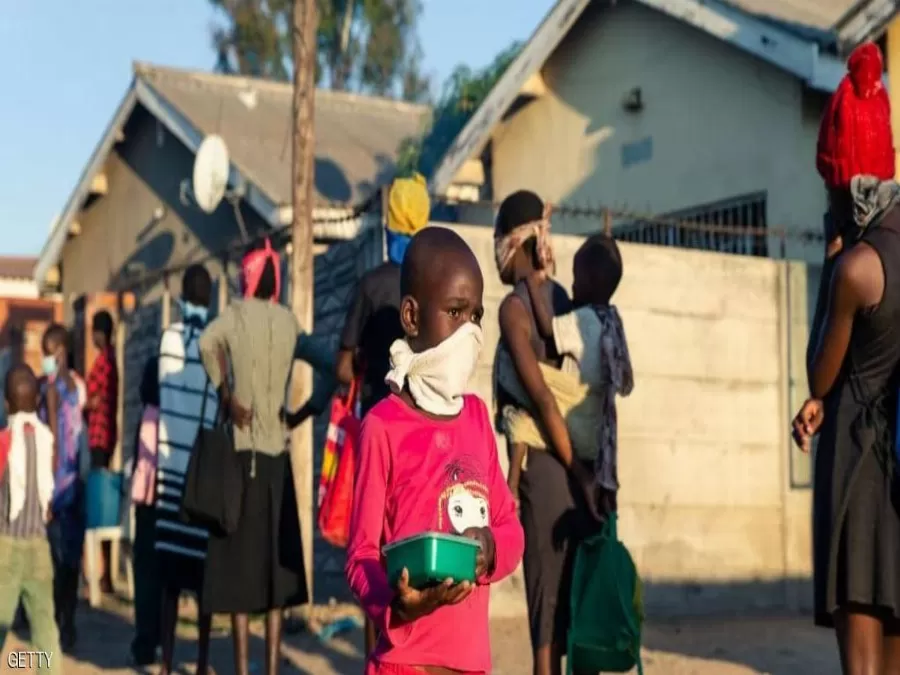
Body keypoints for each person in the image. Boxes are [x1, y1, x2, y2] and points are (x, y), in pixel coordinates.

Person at [346, 227, 524, 674]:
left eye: (476, 316)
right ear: (411, 316)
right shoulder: (382, 426)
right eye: (455, 311)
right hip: (405, 664)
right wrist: (398, 605)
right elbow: (361, 556)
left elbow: (510, 528)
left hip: (471, 664)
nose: (469, 332)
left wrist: (487, 546)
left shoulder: (478, 420)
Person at [791, 42, 900, 674]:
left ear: (843, 184)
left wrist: (833, 258)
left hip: (858, 476)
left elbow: (819, 371)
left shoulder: (856, 269)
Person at [493, 190, 597, 675]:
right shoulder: (566, 302)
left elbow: (540, 403)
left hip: (551, 475)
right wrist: (591, 476)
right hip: (581, 477)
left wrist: (566, 469)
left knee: (546, 624)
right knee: (573, 615)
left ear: (514, 244)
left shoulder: (512, 311)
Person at [199, 240, 308, 675]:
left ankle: (242, 668)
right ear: (275, 278)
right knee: (275, 577)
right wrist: (301, 412)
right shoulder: (288, 321)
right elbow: (324, 362)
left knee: (238, 572)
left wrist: (226, 395)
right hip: (276, 461)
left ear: (247, 278)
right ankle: (273, 670)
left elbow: (208, 344)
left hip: (241, 461)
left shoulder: (233, 316)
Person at [336, 172, 430, 653]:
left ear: (388, 223)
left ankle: (378, 649)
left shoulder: (371, 284)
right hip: (426, 432)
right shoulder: (433, 289)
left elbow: (343, 363)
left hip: (378, 428)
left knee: (371, 546)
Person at [521, 233, 634, 516]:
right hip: (602, 430)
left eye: (576, 278)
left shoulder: (583, 320)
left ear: (591, 282)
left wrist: (533, 285)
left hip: (576, 428)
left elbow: (547, 328)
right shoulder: (613, 320)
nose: (571, 285)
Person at [155, 265, 216, 675]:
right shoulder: (216, 342)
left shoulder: (168, 339)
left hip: (169, 471)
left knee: (169, 581)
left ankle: (166, 662)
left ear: (181, 295)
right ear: (210, 298)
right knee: (203, 577)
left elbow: (157, 392)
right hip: (202, 475)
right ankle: (203, 661)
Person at [0, 364, 62, 674]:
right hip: (39, 547)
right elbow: (52, 473)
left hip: (7, 547)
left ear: (6, 404)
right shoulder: (45, 439)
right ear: (36, 401)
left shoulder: (4, 442)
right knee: (44, 626)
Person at [40, 323, 87, 651]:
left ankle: (62, 621)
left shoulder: (60, 386)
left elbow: (60, 435)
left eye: (48, 352)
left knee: (62, 559)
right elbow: (63, 433)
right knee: (67, 558)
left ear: (61, 351)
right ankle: (65, 622)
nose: (45, 359)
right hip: (69, 481)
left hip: (63, 482)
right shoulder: (65, 385)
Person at [129, 356, 162, 667]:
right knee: (165, 577)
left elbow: (140, 466)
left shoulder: (147, 417)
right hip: (171, 505)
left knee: (145, 574)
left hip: (148, 508)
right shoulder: (176, 415)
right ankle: (162, 637)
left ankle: (145, 641)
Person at [84, 309, 118, 594]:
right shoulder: (108, 360)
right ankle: (100, 574)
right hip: (101, 436)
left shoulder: (105, 362)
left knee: (98, 506)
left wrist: (81, 404)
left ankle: (101, 575)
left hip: (98, 437)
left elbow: (96, 399)